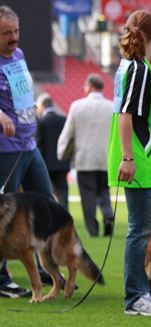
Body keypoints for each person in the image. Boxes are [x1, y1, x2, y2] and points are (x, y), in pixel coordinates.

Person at [107, 10, 151, 316]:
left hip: (137, 153)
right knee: (139, 230)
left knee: (139, 229)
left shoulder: (130, 67)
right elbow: (126, 116)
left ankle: (137, 295)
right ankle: (136, 297)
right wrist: (128, 157)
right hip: (135, 158)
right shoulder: (139, 70)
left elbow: (138, 119)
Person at [0, 5, 55, 299]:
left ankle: (44, 264)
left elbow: (22, 89)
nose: (13, 38)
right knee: (5, 216)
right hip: (5, 150)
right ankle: (2, 276)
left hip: (29, 145)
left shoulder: (19, 56)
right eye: (6, 33)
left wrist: (30, 105)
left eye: (16, 31)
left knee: (45, 204)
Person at [58, 73, 114, 237]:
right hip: (105, 158)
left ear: (89, 86)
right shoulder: (111, 107)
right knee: (104, 190)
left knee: (87, 196)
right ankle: (108, 213)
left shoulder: (77, 106)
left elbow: (68, 132)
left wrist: (61, 152)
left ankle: (93, 229)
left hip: (84, 159)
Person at [35, 93, 70, 210]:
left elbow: (39, 145)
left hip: (46, 165)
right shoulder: (63, 119)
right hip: (62, 163)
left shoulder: (41, 121)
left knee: (47, 194)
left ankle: (51, 218)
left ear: (43, 105)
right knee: (63, 193)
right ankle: (65, 219)